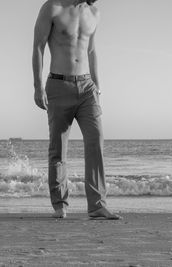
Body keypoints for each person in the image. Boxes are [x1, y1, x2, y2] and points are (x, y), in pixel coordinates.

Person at [32, 0, 121, 219]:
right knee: (58, 147)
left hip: (87, 86)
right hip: (58, 84)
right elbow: (38, 46)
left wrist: (97, 89)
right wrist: (37, 87)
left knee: (96, 140)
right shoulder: (53, 7)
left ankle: (97, 205)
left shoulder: (94, 13)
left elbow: (91, 51)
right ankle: (60, 204)